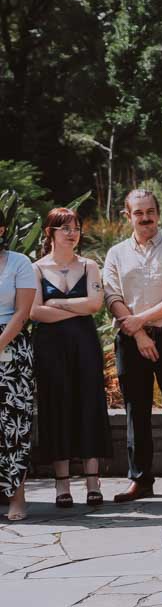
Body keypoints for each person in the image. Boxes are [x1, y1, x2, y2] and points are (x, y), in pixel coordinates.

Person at [103, 189, 162, 502]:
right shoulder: (116, 254)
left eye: (150, 211)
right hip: (130, 341)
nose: (146, 218)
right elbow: (112, 296)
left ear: (158, 213)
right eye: (139, 213)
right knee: (135, 410)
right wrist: (138, 332)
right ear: (128, 216)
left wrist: (142, 321)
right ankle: (140, 479)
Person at [30, 208, 111, 508]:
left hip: (85, 344)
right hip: (50, 347)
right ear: (50, 231)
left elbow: (94, 304)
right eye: (64, 228)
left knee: (89, 403)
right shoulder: (36, 269)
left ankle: (92, 481)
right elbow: (34, 311)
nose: (72, 233)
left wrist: (57, 304)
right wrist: (69, 307)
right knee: (56, 404)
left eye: (75, 227)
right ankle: (61, 484)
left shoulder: (89, 265)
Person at [1, 222, 37, 521]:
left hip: (12, 348)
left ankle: (17, 497)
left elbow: (23, 312)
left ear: (2, 229)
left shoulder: (19, 262)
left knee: (14, 423)